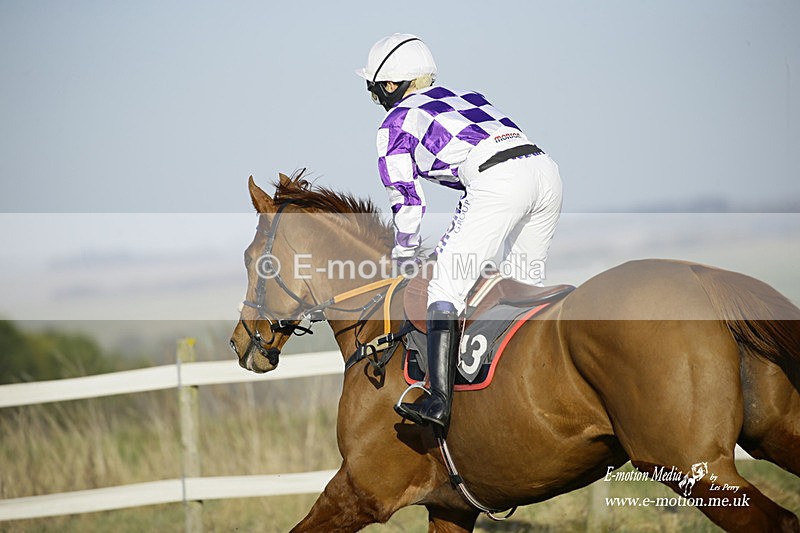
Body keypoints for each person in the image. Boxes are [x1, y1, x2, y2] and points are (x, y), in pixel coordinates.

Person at [356, 33, 563, 431]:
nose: (376, 101)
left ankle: (438, 400)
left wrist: (404, 254)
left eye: (374, 91)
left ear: (389, 84)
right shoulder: (468, 94)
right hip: (545, 170)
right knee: (521, 286)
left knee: (444, 289)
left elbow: (407, 200)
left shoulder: (393, 123)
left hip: (497, 179)